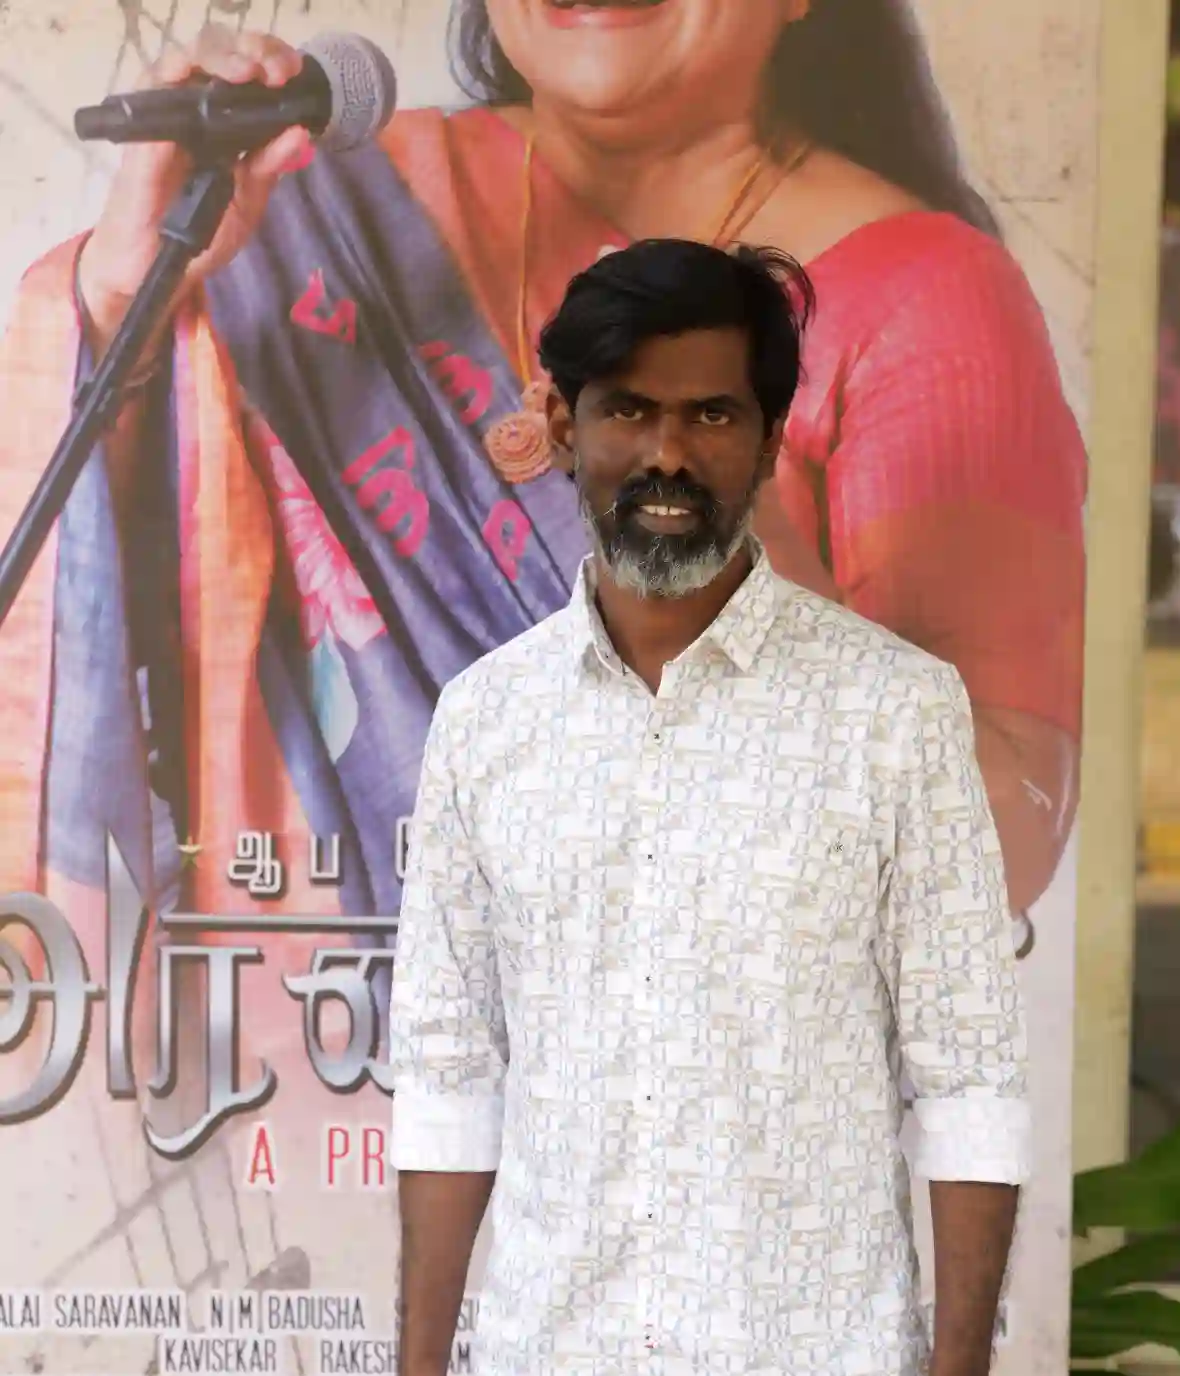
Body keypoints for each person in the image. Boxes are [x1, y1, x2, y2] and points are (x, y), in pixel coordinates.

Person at [0, 0, 1083, 946]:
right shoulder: (312, 203)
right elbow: (88, 615)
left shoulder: (926, 298)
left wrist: (729, 547)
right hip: (310, 1060)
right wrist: (125, 300)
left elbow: (1001, 840)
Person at [360, 239, 1030, 1376]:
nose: (667, 454)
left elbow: (968, 1084)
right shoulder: (488, 724)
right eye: (629, 410)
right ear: (564, 430)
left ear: (771, 441)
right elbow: (447, 1076)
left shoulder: (892, 714)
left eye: (712, 413)